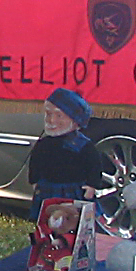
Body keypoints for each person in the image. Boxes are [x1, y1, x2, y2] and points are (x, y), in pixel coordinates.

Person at [26, 87, 104, 220]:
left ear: (74, 120)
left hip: (73, 191)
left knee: (72, 218)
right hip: (48, 189)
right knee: (47, 217)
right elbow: (35, 161)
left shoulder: (83, 145)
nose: (52, 120)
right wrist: (34, 179)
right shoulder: (44, 143)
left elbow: (94, 165)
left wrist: (92, 185)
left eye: (59, 116)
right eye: (48, 114)